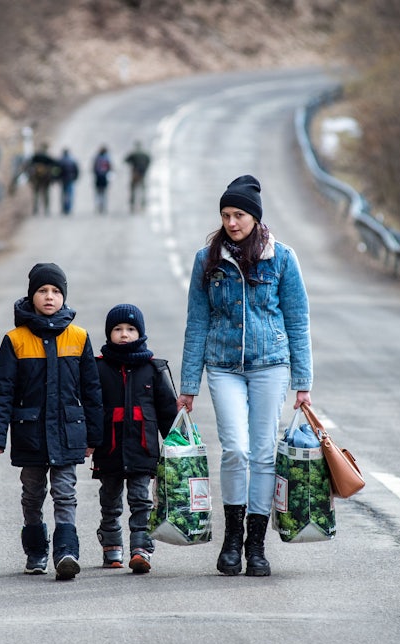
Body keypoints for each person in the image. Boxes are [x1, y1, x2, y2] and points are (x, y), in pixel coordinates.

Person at [177, 175, 313, 578]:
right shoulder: (208, 259)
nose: (231, 222)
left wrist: (303, 382)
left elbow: (297, 320)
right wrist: (188, 386)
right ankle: (232, 539)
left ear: (254, 217)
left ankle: (256, 546)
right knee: (235, 449)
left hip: (271, 364)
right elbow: (197, 322)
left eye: (238, 215)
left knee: (263, 452)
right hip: (223, 367)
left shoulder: (282, 258)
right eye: (225, 215)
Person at [0, 263, 103, 580]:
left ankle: (66, 553)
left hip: (68, 432)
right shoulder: (16, 340)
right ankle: (36, 552)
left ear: (64, 296)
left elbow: (92, 392)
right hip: (30, 433)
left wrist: (94, 437)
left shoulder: (79, 338)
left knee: (65, 493)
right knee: (32, 494)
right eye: (42, 291)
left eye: (55, 291)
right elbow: (2, 391)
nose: (49, 297)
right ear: (31, 295)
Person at [88, 304, 178, 574]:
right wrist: (88, 440)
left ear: (140, 333)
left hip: (143, 449)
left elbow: (167, 413)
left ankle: (142, 548)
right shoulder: (98, 368)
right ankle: (111, 545)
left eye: (130, 329)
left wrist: (177, 444)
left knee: (141, 500)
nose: (124, 334)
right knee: (110, 500)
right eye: (117, 329)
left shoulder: (153, 369)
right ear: (109, 334)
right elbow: (89, 408)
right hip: (109, 449)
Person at [26, 144, 61, 215]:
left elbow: (28, 165)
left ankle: (35, 210)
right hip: (46, 180)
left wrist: (30, 178)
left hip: (36, 180)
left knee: (36, 194)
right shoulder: (48, 157)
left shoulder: (36, 156)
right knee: (46, 194)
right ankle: (47, 209)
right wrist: (54, 178)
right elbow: (56, 165)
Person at [124, 141, 151, 213]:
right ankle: (143, 204)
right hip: (142, 174)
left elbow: (126, 160)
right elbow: (149, 160)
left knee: (133, 189)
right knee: (143, 189)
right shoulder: (145, 154)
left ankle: (132, 205)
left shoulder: (133, 154)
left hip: (135, 174)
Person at [58, 148, 80, 215]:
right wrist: (75, 178)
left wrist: (57, 178)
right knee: (70, 194)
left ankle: (64, 208)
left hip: (63, 180)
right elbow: (77, 170)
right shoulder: (72, 160)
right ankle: (69, 208)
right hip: (70, 179)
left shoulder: (60, 161)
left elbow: (57, 171)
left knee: (63, 194)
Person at [92, 145, 112, 214]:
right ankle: (103, 206)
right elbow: (110, 168)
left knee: (98, 193)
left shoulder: (97, 158)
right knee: (104, 193)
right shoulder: (107, 158)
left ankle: (98, 206)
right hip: (104, 177)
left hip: (98, 177)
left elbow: (93, 168)